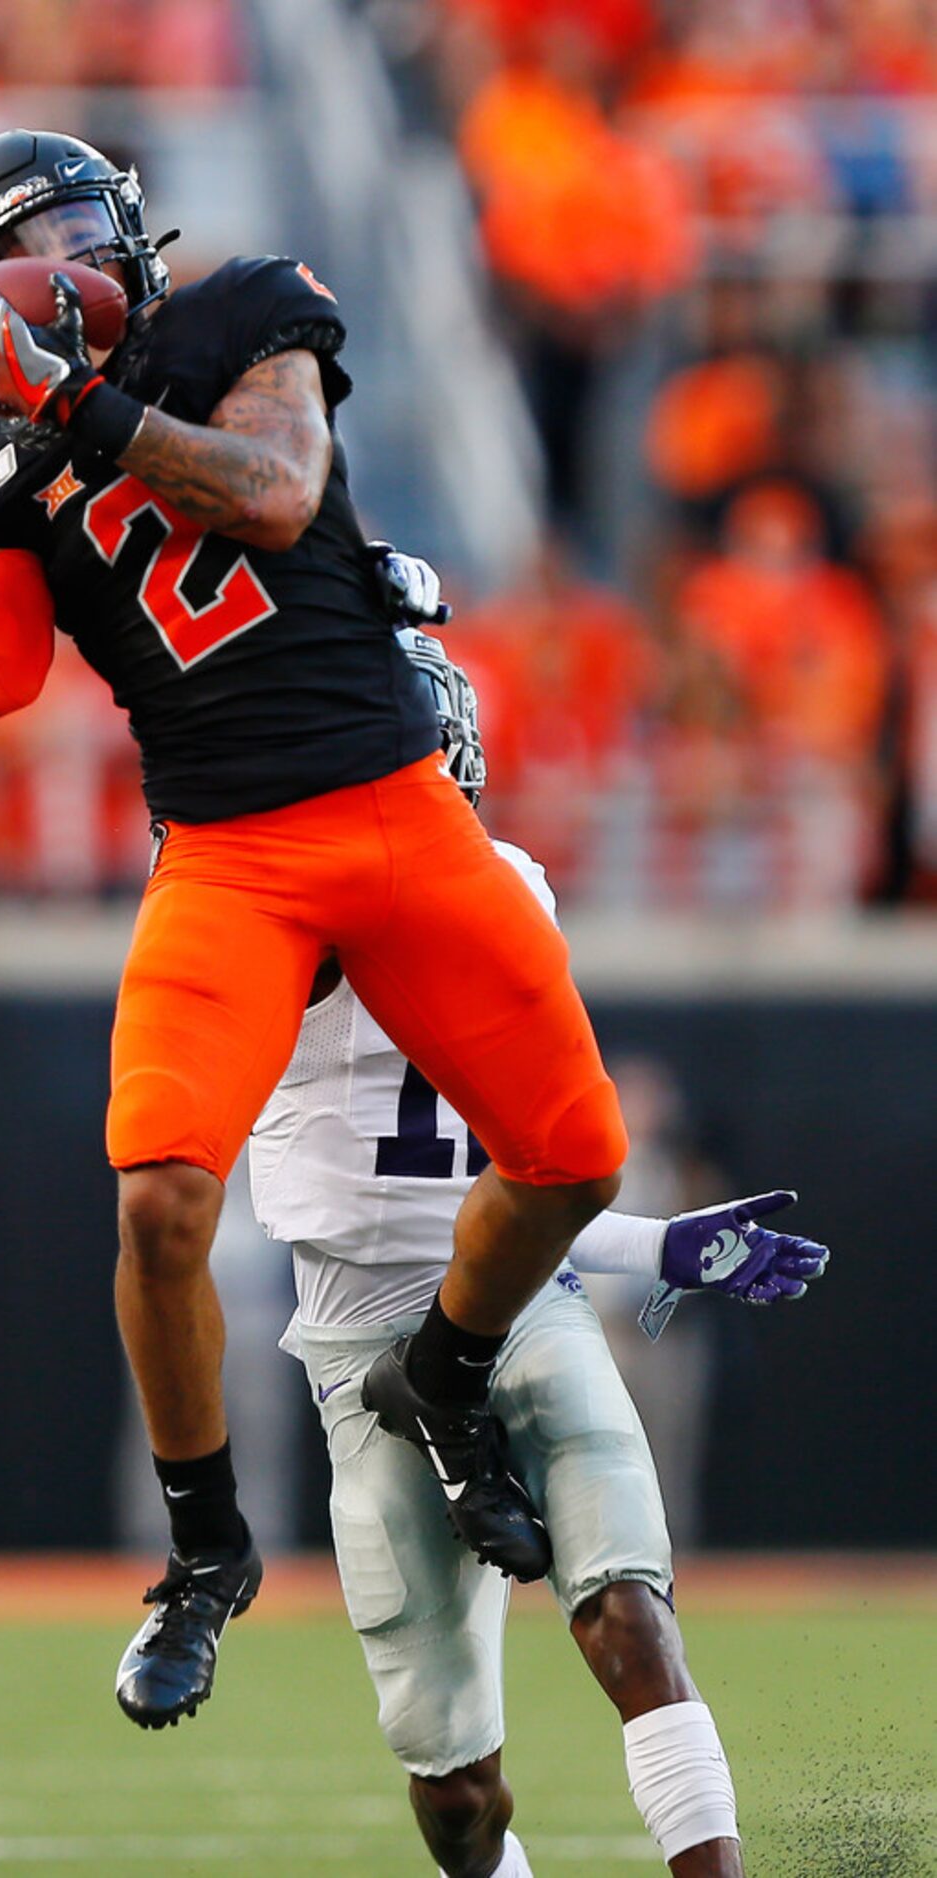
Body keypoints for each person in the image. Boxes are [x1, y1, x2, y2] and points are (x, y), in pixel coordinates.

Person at [0, 128, 630, 1729]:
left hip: (393, 801)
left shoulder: (241, 316)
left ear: (134, 239)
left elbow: (280, 498)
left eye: (84, 225)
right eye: (31, 242)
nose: (66, 259)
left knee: (575, 1154)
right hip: (222, 848)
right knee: (157, 1198)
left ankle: (445, 1367)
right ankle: (206, 1553)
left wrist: (72, 404)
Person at [249, 615, 830, 1878]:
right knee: (456, 1790)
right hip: (361, 1349)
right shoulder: (267, 904)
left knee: (630, 1616)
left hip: (520, 1303)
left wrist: (655, 1251)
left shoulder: (509, 887)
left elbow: (527, 1173)